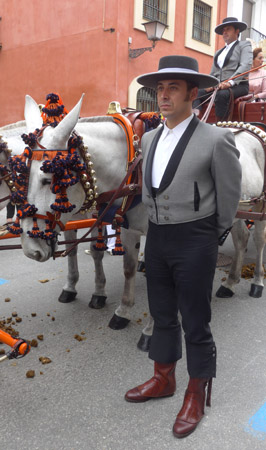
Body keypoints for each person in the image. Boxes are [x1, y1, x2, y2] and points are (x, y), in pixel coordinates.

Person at [124, 55, 242, 438]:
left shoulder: (216, 139)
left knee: (195, 319)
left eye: (173, 87)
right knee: (160, 312)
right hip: (157, 236)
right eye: (159, 88)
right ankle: (163, 378)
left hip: (196, 238)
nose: (163, 95)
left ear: (193, 93)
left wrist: (211, 234)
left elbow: (228, 197)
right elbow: (148, 191)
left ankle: (196, 389)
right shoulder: (148, 138)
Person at [194, 17, 253, 120]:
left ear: (237, 31)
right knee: (197, 92)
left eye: (228, 29)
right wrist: (210, 85)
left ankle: (220, 126)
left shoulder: (244, 45)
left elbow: (245, 65)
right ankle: (196, 119)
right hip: (218, 86)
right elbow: (213, 73)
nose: (224, 32)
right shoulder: (218, 52)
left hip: (238, 85)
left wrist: (230, 82)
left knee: (222, 95)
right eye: (223, 30)